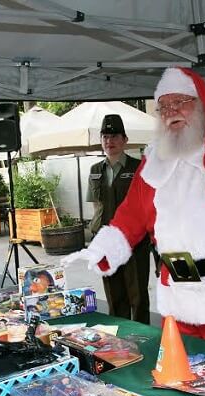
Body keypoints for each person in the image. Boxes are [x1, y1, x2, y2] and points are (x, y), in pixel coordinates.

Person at [64, 67, 205, 350]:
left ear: (201, 102)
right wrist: (103, 248)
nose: (170, 112)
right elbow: (131, 214)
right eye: (163, 106)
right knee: (178, 377)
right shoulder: (154, 158)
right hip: (176, 291)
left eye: (180, 102)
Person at [86, 114, 150, 324]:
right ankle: (120, 339)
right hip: (106, 242)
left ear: (125, 140)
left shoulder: (139, 167)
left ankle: (143, 337)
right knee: (114, 294)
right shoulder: (95, 170)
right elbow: (96, 207)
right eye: (105, 137)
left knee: (138, 294)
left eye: (114, 136)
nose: (109, 142)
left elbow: (147, 205)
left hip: (135, 242)